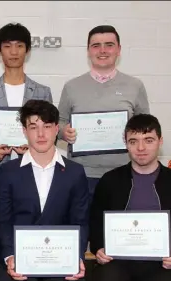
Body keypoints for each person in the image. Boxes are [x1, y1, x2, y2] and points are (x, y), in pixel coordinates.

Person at [0, 100, 89, 281]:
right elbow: (2, 220)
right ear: (24, 131)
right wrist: (10, 256)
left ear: (56, 129)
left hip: (61, 259)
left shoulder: (75, 172)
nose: (40, 134)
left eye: (46, 126)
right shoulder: (8, 171)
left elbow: (80, 221)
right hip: (19, 258)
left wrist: (76, 257)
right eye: (33, 127)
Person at [89, 114, 171, 281]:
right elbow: (95, 222)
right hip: (117, 262)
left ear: (160, 141)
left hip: (161, 264)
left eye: (148, 140)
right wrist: (99, 248)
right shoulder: (109, 181)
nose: (141, 148)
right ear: (126, 143)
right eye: (133, 141)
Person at [57, 25, 150, 202]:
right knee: (87, 227)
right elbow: (59, 122)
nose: (102, 50)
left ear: (119, 49)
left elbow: (145, 126)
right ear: (88, 51)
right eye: (96, 45)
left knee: (120, 229)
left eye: (109, 44)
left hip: (124, 172)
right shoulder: (71, 87)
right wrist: (64, 132)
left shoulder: (135, 86)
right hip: (83, 174)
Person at [0, 23, 53, 193]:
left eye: (19, 46)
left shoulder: (42, 92)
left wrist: (33, 148)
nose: (14, 52)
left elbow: (49, 133)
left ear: (27, 50)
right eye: (7, 46)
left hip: (35, 172)